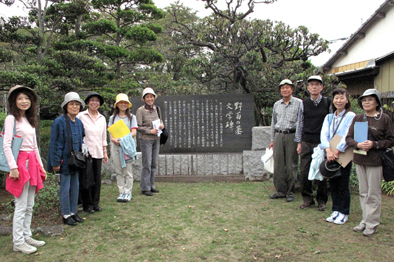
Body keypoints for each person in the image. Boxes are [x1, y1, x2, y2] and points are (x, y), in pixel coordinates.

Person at [3, 85, 47, 254]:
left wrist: (41, 167)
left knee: (30, 204)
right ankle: (18, 242)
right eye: (20, 98)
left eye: (27, 98)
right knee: (21, 205)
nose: (24, 101)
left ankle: (27, 235)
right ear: (14, 101)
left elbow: (34, 146)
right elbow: (7, 145)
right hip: (20, 163)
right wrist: (13, 167)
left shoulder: (29, 119)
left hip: (32, 163)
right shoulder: (11, 119)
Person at [346, 89, 394, 236]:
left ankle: (372, 224)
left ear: (377, 102)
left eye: (370, 99)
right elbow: (349, 138)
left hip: (375, 161)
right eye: (364, 100)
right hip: (360, 159)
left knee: (373, 193)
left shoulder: (384, 119)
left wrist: (375, 144)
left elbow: (391, 139)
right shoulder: (358, 118)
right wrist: (358, 145)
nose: (366, 102)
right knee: (363, 192)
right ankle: (365, 221)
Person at [48, 92, 87, 226]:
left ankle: (73, 211)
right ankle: (65, 214)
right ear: (66, 106)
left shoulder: (79, 122)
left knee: (75, 186)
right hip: (64, 160)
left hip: (76, 160)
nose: (75, 107)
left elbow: (81, 139)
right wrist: (55, 162)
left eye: (77, 104)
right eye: (72, 104)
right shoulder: (59, 122)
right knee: (65, 187)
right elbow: (55, 143)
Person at [320, 88, 355, 225]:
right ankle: (335, 209)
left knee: (343, 184)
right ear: (332, 100)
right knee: (333, 182)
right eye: (336, 98)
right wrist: (328, 150)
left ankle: (344, 212)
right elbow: (324, 134)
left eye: (342, 97)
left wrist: (337, 151)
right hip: (330, 153)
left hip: (343, 153)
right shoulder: (329, 117)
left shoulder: (350, 116)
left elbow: (348, 134)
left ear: (347, 100)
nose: (339, 100)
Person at [296, 75, 331, 211]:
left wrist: (328, 143)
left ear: (321, 87)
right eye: (311, 84)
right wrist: (299, 142)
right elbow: (300, 124)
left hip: (321, 143)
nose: (314, 87)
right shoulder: (303, 103)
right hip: (306, 141)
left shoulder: (327, 103)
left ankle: (321, 200)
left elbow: (330, 123)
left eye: (317, 84)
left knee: (322, 172)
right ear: (308, 88)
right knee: (304, 172)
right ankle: (307, 199)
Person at [269, 79, 302, 202]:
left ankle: (290, 192)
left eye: (288, 87)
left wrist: (299, 140)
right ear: (280, 90)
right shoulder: (277, 104)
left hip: (291, 136)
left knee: (291, 164)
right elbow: (273, 122)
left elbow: (300, 123)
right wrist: (272, 139)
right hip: (278, 135)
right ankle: (280, 191)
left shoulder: (299, 103)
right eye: (283, 88)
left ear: (292, 89)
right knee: (278, 164)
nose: (285, 90)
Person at [77, 92, 108, 213]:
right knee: (86, 179)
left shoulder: (102, 118)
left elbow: (103, 137)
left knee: (97, 179)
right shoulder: (81, 116)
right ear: (88, 102)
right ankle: (87, 204)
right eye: (92, 100)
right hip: (86, 153)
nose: (94, 103)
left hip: (98, 152)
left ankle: (96, 203)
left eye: (97, 101)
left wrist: (105, 152)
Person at [108, 93, 138, 202]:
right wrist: (113, 139)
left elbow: (134, 132)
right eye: (121, 102)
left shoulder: (132, 117)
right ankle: (121, 192)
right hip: (116, 147)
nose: (123, 104)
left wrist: (123, 139)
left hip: (127, 148)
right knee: (118, 170)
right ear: (117, 104)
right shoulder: (112, 118)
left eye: (125, 102)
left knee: (128, 171)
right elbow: (111, 132)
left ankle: (128, 192)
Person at [136, 87, 164, 196]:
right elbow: (138, 126)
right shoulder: (140, 110)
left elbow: (160, 119)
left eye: (151, 97)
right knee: (146, 163)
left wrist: (162, 125)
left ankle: (151, 185)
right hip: (146, 140)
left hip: (156, 139)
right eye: (147, 97)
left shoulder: (157, 109)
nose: (150, 99)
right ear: (144, 99)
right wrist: (149, 131)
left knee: (154, 163)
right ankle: (145, 187)